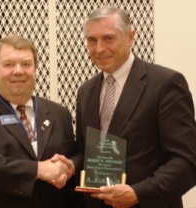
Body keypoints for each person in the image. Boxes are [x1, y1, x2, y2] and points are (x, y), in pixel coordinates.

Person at [76, 6, 196, 208]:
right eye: (92, 40)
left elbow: (186, 161)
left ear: (130, 37)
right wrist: (68, 166)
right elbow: (85, 154)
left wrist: (138, 193)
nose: (99, 49)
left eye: (108, 38)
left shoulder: (165, 84)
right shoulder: (85, 91)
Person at [0, 35, 83, 208]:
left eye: (26, 64)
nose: (18, 71)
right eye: (9, 64)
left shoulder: (59, 113)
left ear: (35, 68)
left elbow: (76, 155)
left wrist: (71, 167)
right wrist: (39, 170)